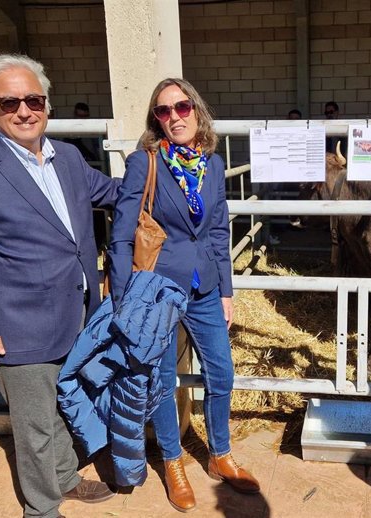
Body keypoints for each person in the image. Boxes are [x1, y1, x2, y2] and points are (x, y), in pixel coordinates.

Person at [0, 54, 120, 518]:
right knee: (34, 423)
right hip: (18, 319)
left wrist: (164, 167)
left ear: (47, 103)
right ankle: (41, 508)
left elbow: (115, 193)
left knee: (60, 405)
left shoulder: (71, 158)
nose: (23, 111)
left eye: (32, 99)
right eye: (8, 103)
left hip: (77, 312)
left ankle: (63, 478)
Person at [108, 78, 259, 512]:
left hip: (205, 288)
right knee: (160, 379)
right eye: (163, 111)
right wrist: (124, 300)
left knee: (221, 372)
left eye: (182, 107)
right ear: (156, 120)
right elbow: (120, 236)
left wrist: (226, 290)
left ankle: (220, 454)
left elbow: (216, 229)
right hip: (156, 290)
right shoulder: (144, 162)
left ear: (197, 110)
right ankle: (173, 461)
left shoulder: (211, 165)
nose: (174, 117)